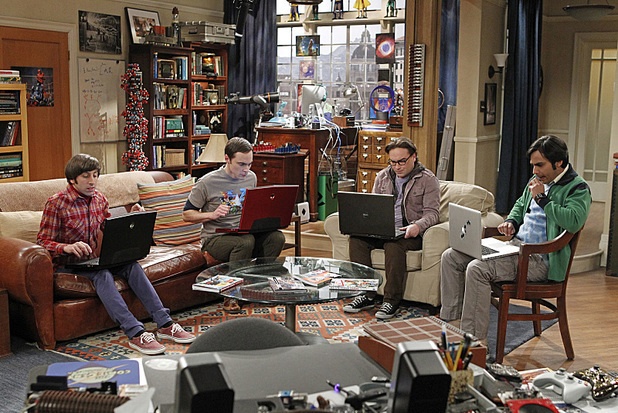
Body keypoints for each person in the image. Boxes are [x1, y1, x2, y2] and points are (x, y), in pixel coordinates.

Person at [37, 154, 195, 355]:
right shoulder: (56, 203)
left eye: (95, 175)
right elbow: (42, 242)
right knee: (102, 275)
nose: (92, 181)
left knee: (132, 266)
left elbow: (109, 229)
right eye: (86, 176)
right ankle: (136, 333)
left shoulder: (99, 199)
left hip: (94, 261)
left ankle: (165, 323)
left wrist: (132, 217)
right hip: (68, 265)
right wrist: (66, 247)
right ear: (72, 179)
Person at [440, 135, 591, 342]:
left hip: (540, 260)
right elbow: (521, 204)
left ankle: (474, 342)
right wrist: (511, 221)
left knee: (477, 269)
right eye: (533, 165)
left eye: (540, 165)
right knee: (451, 256)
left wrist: (542, 199)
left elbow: (573, 221)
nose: (534, 171)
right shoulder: (537, 181)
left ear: (559, 163)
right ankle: (453, 324)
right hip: (515, 249)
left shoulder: (577, 188)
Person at [182, 137, 286, 313]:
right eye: (241, 164)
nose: (246, 169)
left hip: (244, 231)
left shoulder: (251, 178)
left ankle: (257, 286)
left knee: (276, 237)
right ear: (227, 159)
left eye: (249, 164)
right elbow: (186, 214)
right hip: (216, 237)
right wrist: (211, 215)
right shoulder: (207, 182)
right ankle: (231, 294)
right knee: (245, 242)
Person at [343, 137, 440, 319]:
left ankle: (391, 300)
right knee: (356, 240)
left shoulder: (428, 180)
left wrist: (417, 226)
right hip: (383, 229)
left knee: (393, 246)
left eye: (402, 161)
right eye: (393, 162)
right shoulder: (383, 176)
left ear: (414, 157)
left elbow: (433, 214)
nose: (397, 167)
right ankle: (366, 294)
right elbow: (373, 206)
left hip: (409, 232)